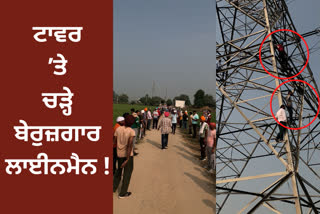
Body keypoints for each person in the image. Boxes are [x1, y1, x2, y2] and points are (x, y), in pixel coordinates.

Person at [113, 115, 136, 198]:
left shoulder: (118, 129)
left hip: (119, 154)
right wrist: (127, 159)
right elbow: (129, 146)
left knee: (118, 171)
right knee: (127, 173)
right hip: (127, 155)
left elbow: (114, 141)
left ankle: (113, 187)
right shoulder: (131, 131)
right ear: (132, 123)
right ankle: (123, 193)